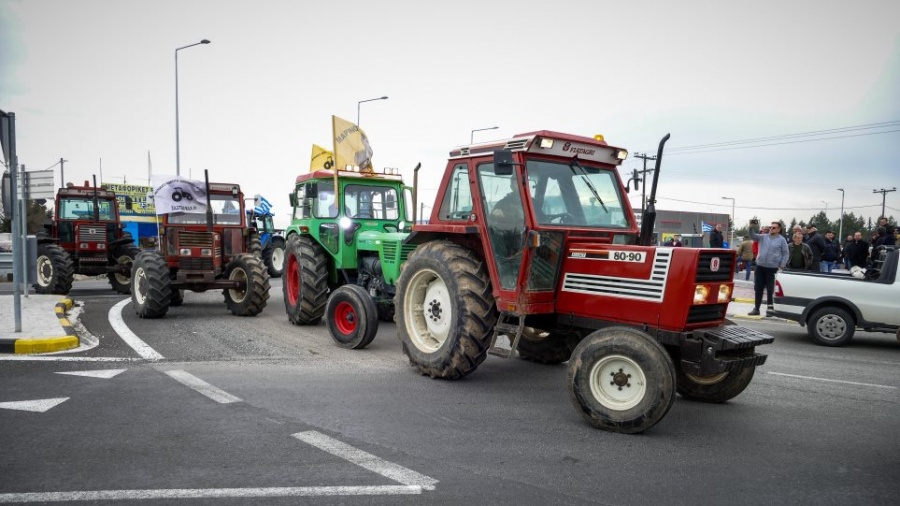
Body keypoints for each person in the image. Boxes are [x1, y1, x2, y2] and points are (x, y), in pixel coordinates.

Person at [748, 221, 789, 316]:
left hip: (772, 269)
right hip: (760, 267)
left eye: (774, 227)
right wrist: (750, 228)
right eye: (771, 227)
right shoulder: (763, 237)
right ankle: (756, 309)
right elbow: (753, 236)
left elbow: (785, 253)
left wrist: (782, 265)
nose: (771, 229)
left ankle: (770, 310)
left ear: (779, 229)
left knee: (770, 290)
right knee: (758, 288)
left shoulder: (781, 240)